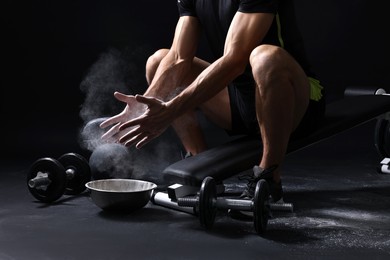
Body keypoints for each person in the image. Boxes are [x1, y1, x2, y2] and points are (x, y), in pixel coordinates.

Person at [99, 0, 325, 203]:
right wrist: (143, 106)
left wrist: (170, 110)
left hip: (295, 103)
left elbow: (235, 60)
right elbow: (178, 58)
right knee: (159, 62)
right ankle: (199, 168)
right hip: (240, 103)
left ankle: (269, 177)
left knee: (265, 57)